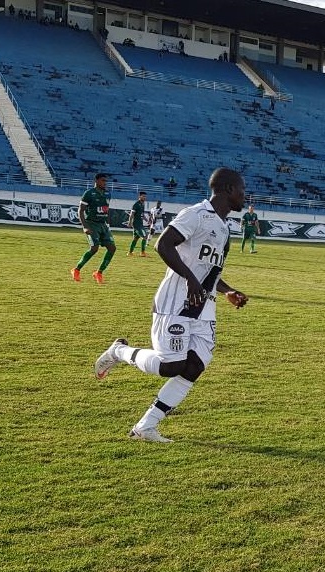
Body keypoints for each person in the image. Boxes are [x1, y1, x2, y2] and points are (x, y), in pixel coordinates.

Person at [93, 168, 250, 443]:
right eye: (241, 190)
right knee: (171, 366)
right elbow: (163, 245)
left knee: (194, 367)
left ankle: (145, 427)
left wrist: (227, 291)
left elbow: (207, 270)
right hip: (177, 302)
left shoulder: (224, 228)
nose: (244, 196)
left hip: (204, 309)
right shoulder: (196, 214)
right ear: (227, 189)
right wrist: (190, 281)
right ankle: (119, 351)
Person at [71, 173, 116, 284]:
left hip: (103, 225)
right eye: (102, 180)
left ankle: (99, 272)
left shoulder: (107, 194)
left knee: (112, 248)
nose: (105, 183)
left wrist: (108, 224)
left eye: (106, 181)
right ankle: (76, 269)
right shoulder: (89, 194)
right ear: (96, 181)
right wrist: (85, 226)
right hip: (91, 224)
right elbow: (80, 210)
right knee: (94, 248)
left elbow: (107, 209)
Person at [127, 191, 150, 256]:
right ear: (139, 196)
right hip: (137, 224)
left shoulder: (143, 204)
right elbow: (132, 214)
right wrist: (129, 222)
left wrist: (146, 220)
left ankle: (130, 252)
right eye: (143, 196)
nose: (144, 197)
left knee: (136, 238)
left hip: (140, 223)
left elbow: (142, 214)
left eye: (145, 196)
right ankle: (142, 252)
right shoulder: (136, 204)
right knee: (145, 236)